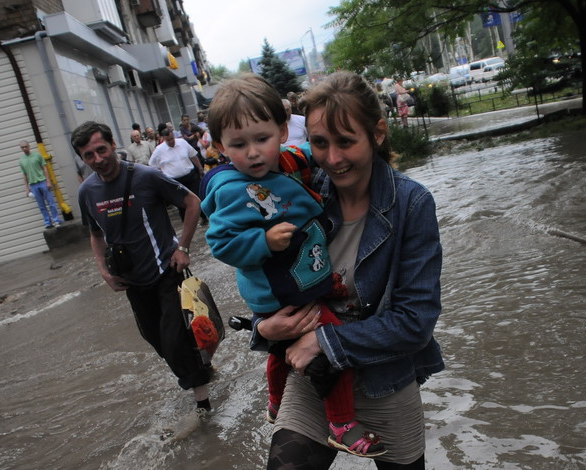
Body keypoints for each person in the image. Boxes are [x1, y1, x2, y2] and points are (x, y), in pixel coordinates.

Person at [257, 71, 444, 468]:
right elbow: (267, 278)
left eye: (346, 142)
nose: (333, 159)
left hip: (385, 381)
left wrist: (325, 342)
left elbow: (416, 320)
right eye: (320, 143)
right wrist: (263, 326)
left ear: (377, 133)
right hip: (314, 381)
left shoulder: (413, 204)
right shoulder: (299, 194)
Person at [200, 73, 385, 459]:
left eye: (261, 140)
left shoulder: (287, 166)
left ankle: (273, 400)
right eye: (238, 144)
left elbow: (306, 153)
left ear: (283, 131)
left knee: (277, 353)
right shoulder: (235, 189)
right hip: (283, 291)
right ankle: (341, 423)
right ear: (219, 146)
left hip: (291, 288)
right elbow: (219, 242)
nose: (253, 153)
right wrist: (262, 241)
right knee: (334, 348)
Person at [71, 121, 214, 416]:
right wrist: (104, 271)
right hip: (131, 281)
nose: (98, 159)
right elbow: (95, 234)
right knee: (158, 340)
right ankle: (202, 365)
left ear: (113, 144)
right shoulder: (87, 192)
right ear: (82, 159)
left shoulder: (146, 176)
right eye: (89, 156)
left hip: (166, 271)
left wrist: (183, 247)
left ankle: (204, 407)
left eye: (101, 150)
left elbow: (192, 202)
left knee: (175, 339)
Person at [149, 128, 206, 223]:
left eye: (172, 139)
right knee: (182, 203)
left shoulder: (182, 143)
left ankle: (204, 217)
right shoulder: (159, 150)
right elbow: (152, 166)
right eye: (168, 140)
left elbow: (193, 156)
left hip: (190, 176)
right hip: (175, 181)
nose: (171, 141)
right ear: (163, 139)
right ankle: (187, 223)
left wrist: (200, 169)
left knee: (197, 197)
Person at [18, 140, 62, 229]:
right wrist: (27, 188)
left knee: (51, 203)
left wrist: (48, 181)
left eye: (26, 146)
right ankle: (48, 223)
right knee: (41, 206)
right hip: (33, 185)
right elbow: (24, 174)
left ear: (29, 146)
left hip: (42, 182)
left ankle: (56, 220)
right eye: (23, 147)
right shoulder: (21, 160)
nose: (25, 148)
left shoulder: (37, 155)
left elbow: (45, 168)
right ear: (21, 149)